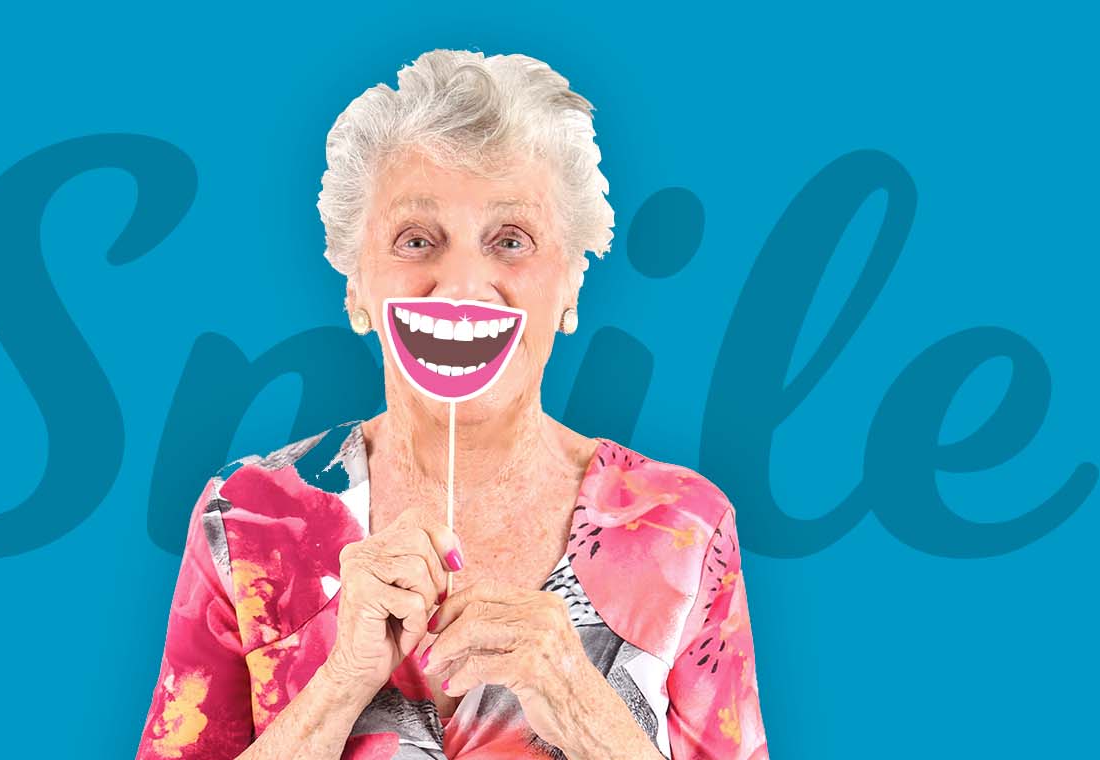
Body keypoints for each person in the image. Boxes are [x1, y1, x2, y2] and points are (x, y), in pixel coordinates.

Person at [135, 48, 769, 759]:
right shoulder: (248, 519)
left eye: (510, 240)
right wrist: (340, 684)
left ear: (569, 290)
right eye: (416, 239)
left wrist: (581, 703)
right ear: (356, 286)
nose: (463, 284)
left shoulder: (685, 529)